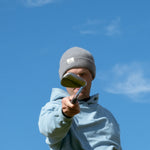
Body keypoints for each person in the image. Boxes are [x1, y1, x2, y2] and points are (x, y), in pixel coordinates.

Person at [38, 47, 122, 150]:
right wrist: (65, 114)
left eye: (82, 74)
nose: (78, 79)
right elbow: (48, 129)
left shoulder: (107, 116)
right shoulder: (53, 108)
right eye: (72, 76)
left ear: (91, 77)